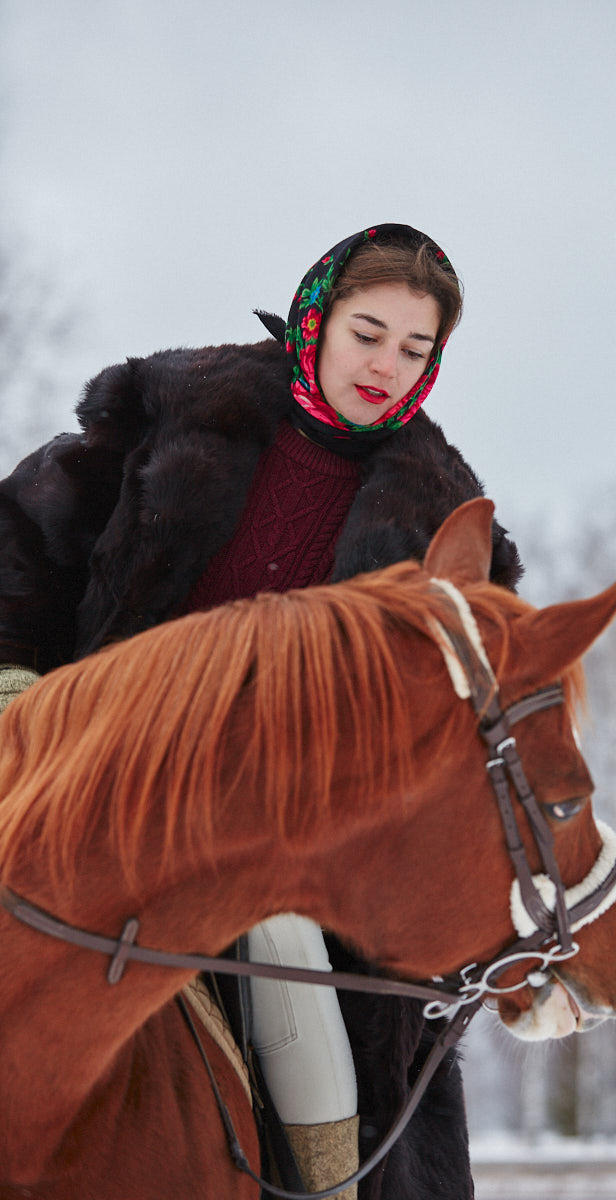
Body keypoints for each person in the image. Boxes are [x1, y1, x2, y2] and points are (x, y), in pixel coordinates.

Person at [0, 223, 522, 1200]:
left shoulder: (440, 518)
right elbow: (23, 538)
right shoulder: (172, 412)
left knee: (294, 979)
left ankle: (325, 1185)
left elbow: (457, 717)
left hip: (274, 838)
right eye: (368, 333)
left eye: (415, 349)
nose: (386, 366)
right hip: (79, 769)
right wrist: (12, 681)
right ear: (315, 319)